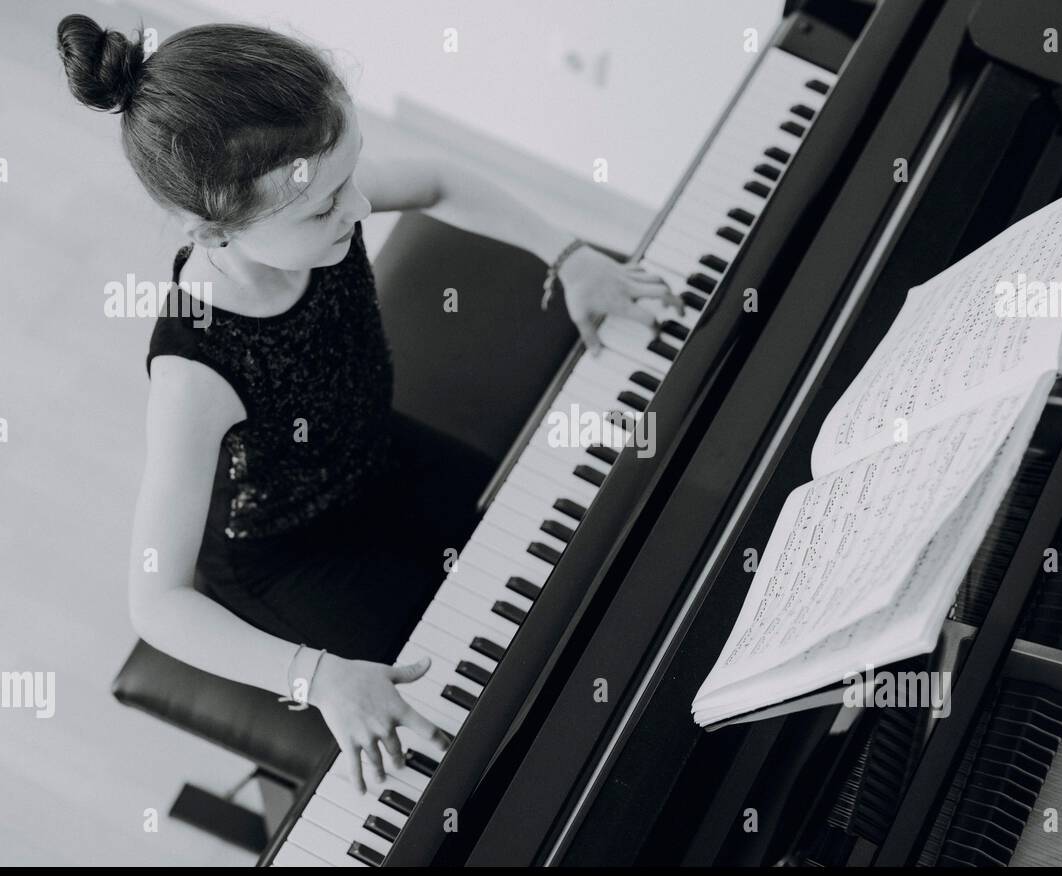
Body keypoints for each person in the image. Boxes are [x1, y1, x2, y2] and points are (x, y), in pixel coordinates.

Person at [57, 14, 678, 794]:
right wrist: (314, 677)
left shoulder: (316, 191)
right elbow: (155, 598)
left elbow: (442, 182)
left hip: (378, 452)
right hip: (291, 553)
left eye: (352, 175)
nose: (356, 209)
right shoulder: (193, 374)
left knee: (578, 553)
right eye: (323, 208)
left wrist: (571, 253)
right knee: (480, 699)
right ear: (210, 230)